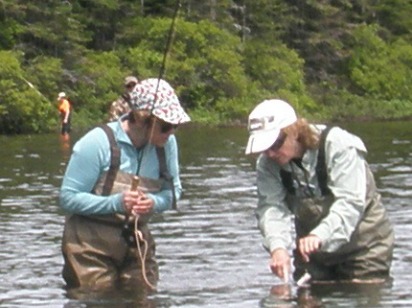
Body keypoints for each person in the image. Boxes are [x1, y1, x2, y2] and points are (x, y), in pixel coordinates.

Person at [59, 78, 190, 291]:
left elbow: (173, 192)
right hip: (89, 245)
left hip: (136, 241)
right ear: (141, 119)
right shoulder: (95, 143)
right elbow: (68, 198)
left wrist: (154, 203)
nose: (171, 132)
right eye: (166, 126)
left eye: (175, 126)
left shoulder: (167, 144)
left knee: (143, 298)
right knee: (98, 300)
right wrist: (116, 203)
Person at [245, 99, 394, 284]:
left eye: (275, 144)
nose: (270, 154)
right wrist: (278, 248)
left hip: (365, 247)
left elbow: (350, 203)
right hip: (313, 255)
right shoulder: (267, 164)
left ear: (294, 130)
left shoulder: (338, 145)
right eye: (263, 148)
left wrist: (319, 235)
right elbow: (271, 208)